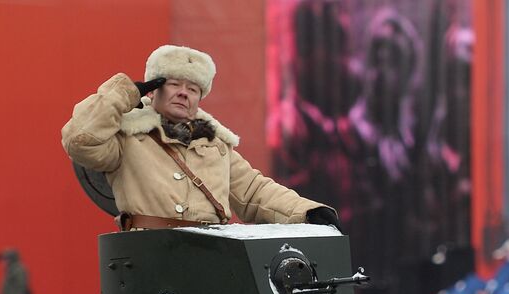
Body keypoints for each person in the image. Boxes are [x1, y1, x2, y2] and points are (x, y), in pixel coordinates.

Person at [63, 44, 337, 230]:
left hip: (210, 257)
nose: (184, 93)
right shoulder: (127, 137)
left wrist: (307, 212)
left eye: (193, 89)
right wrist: (123, 93)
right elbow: (80, 139)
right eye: (173, 84)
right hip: (147, 257)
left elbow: (254, 191)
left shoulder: (216, 144)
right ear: (153, 90)